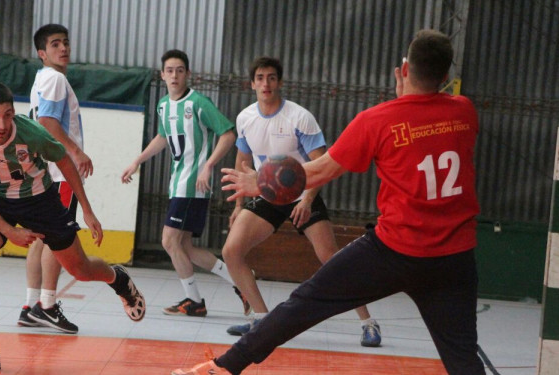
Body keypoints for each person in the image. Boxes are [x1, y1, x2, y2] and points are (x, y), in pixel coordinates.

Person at [173, 29, 485, 375]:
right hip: (453, 259)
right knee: (463, 358)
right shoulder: (465, 111)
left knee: (303, 304)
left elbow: (318, 171)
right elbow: (427, 120)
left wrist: (258, 182)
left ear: (404, 70)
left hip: (394, 251)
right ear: (445, 78)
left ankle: (225, 367)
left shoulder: (378, 120)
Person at [0, 82, 145, 372]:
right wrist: (9, 231)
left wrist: (87, 211)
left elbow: (65, 162)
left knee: (80, 269)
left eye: (7, 114)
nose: (2, 124)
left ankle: (117, 278)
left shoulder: (30, 133)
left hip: (40, 198)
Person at [221, 56, 381, 347]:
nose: (265, 83)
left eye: (271, 78)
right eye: (260, 78)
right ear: (252, 83)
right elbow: (243, 162)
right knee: (231, 251)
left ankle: (368, 323)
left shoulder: (299, 117)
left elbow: (322, 164)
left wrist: (307, 200)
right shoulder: (245, 119)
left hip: (303, 193)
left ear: (280, 82)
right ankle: (261, 320)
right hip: (266, 195)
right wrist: (238, 206)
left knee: (331, 260)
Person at [121, 49, 249, 317]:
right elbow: (162, 137)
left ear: (188, 74)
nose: (175, 75)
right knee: (185, 247)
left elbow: (227, 134)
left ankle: (195, 301)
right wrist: (137, 161)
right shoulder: (164, 106)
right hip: (177, 184)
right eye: (170, 70)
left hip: (192, 185)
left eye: (180, 70)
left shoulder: (199, 103)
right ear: (162, 75)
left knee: (169, 241)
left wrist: (208, 165)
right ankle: (241, 283)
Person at [16, 23, 92, 334]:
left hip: (44, 173)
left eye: (66, 42)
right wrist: (75, 152)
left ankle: (30, 305)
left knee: (39, 237)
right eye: (56, 44)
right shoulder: (56, 78)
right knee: (57, 239)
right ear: (42, 53)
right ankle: (46, 305)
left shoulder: (41, 79)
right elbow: (47, 121)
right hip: (59, 173)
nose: (64, 48)